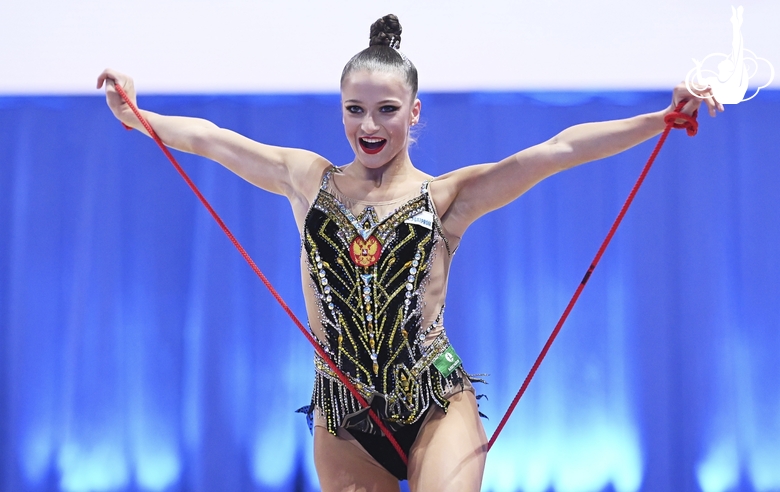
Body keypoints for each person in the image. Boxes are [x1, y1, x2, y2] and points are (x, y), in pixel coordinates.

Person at [97, 13, 722, 492]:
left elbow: (556, 151)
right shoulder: (306, 179)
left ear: (414, 112)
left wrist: (659, 119)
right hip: (343, 413)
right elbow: (211, 140)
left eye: (387, 111)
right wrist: (136, 115)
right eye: (355, 110)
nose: (369, 126)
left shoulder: (446, 197)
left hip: (432, 401)